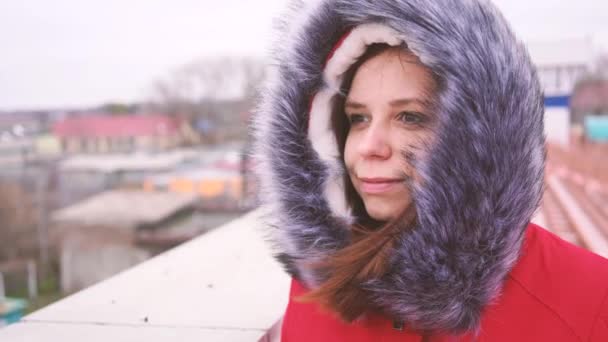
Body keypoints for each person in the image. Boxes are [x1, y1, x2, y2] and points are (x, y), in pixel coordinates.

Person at [252, 0, 608, 340]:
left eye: (409, 117)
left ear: (478, 137)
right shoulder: (320, 284)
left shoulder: (590, 299)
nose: (368, 146)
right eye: (357, 119)